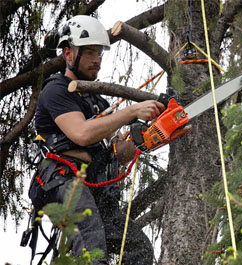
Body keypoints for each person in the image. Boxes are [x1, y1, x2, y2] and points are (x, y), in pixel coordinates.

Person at [29, 15, 165, 264]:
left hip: (95, 187)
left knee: (138, 249)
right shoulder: (56, 90)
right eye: (89, 53)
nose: (97, 60)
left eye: (99, 54)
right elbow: (81, 134)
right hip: (63, 180)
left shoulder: (98, 101)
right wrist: (131, 111)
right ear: (69, 54)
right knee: (92, 247)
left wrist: (148, 135)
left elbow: (118, 151)